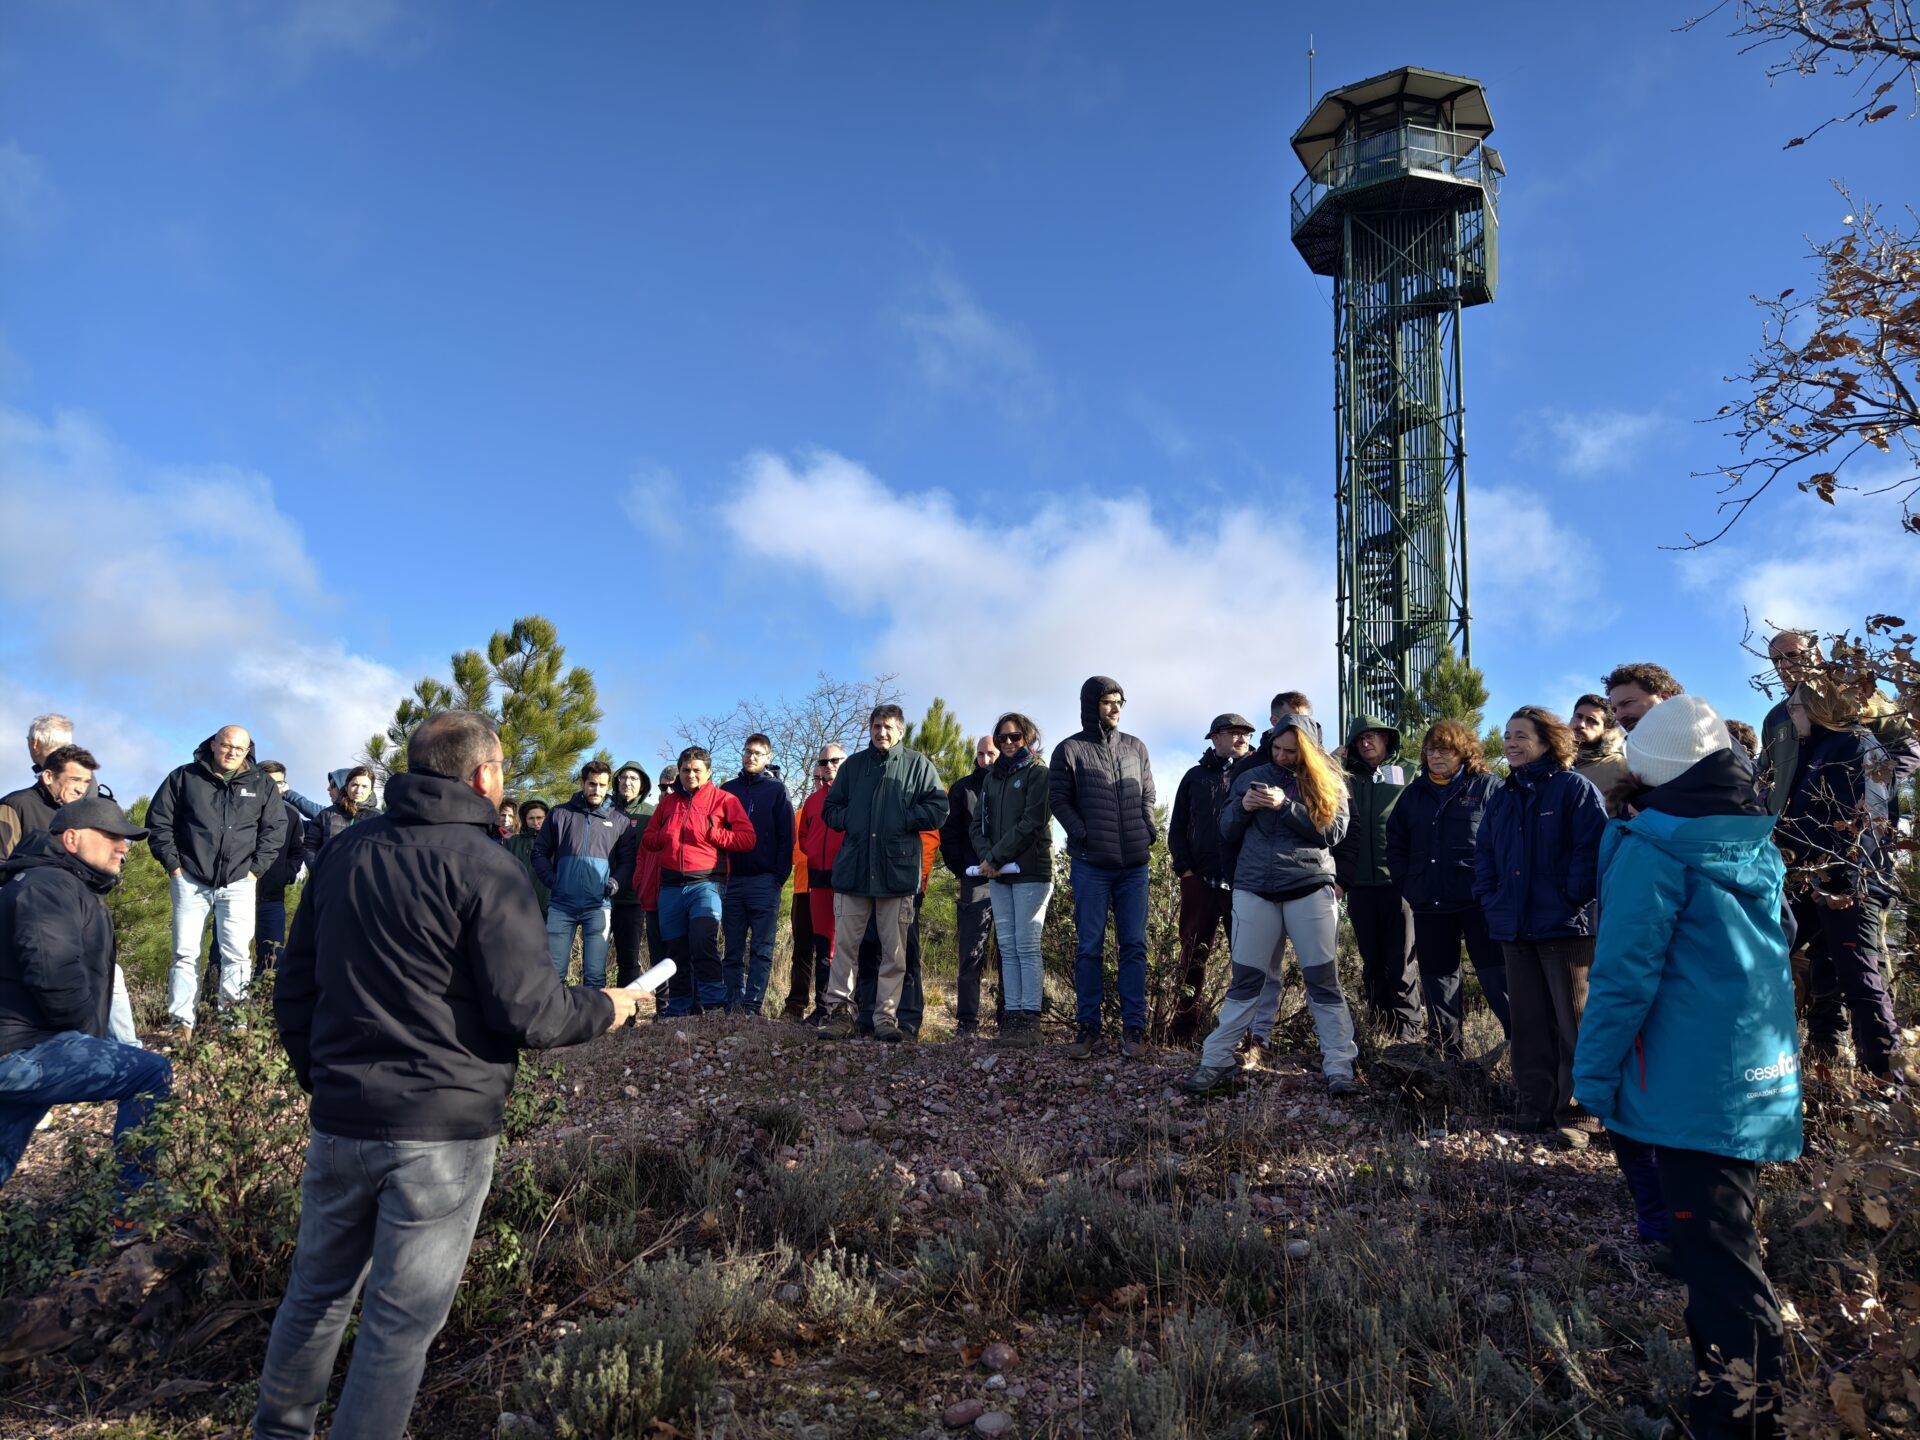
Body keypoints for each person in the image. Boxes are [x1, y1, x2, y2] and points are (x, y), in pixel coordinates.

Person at [254, 711, 641, 1440]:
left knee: (314, 1296)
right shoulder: (489, 866)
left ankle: (277, 1431)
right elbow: (530, 1012)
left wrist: (325, 1080)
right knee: (398, 1327)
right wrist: (610, 1006)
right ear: (485, 775)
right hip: (441, 1135)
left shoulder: (346, 852)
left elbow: (294, 985)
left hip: (342, 1120)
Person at [1573, 696, 1801, 1439]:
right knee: (1727, 1245)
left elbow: (1622, 976)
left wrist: (1593, 1078)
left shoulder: (1652, 848)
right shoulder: (1753, 842)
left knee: (1718, 1263)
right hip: (1756, 1070)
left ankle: (1743, 1419)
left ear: (1650, 771)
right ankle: (1744, 1399)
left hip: (1687, 1083)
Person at [0, 795, 173, 1208]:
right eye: (112, 836)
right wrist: (82, 1035)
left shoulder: (51, 881)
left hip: (20, 1046)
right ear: (72, 838)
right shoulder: (50, 885)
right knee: (151, 1074)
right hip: (25, 1049)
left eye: (127, 839)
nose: (123, 846)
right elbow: (52, 971)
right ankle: (136, 1211)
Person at [1179, 716, 1360, 1097]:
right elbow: (1226, 829)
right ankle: (1215, 1059)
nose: (1280, 756)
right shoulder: (1250, 774)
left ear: (1307, 750)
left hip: (1309, 886)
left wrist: (1285, 807)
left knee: (1323, 981)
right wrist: (1243, 805)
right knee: (1245, 980)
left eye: (1290, 752)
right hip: (1254, 888)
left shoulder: (1328, 779)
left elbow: (1333, 832)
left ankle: (1340, 1067)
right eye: (1276, 748)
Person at [1474, 708, 1609, 1148]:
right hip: (1513, 926)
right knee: (1527, 1022)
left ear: (1548, 741)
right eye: (1508, 735)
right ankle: (1534, 1106)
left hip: (1565, 927)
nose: (1511, 743)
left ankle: (1579, 1114)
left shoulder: (1575, 789)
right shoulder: (1502, 795)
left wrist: (1570, 897)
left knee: (1576, 1021)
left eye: (1521, 736)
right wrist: (1492, 899)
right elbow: (1486, 856)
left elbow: (1593, 851)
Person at [1778, 681, 1901, 1082]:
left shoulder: (1858, 745)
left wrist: (1846, 884)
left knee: (1861, 983)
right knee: (1776, 955)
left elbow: (1870, 818)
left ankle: (1887, 1086)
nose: (1790, 714)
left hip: (1849, 887)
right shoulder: (1815, 751)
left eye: (1796, 707)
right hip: (1811, 882)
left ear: (1817, 706)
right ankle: (1818, 1066)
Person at [815, 706, 949, 1044]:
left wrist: (903, 817)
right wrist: (851, 820)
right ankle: (840, 1014)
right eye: (876, 726)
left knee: (894, 952)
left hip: (897, 873)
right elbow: (830, 808)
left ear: (900, 731)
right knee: (845, 947)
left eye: (888, 727)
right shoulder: (854, 767)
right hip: (855, 872)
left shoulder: (918, 765)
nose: (881, 733)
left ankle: (885, 1019)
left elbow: (939, 808)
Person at [147, 726, 288, 1036]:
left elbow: (275, 829)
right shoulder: (184, 777)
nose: (232, 752)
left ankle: (233, 1024)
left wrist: (254, 870)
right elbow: (159, 822)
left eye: (239, 748)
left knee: (237, 953)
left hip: (239, 882)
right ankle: (181, 1023)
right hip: (190, 880)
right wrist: (174, 867)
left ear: (247, 750)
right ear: (213, 744)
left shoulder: (261, 783)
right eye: (226, 745)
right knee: (185, 953)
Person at [1384, 719, 1508, 1058]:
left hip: (1479, 902)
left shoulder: (1488, 788)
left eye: (1446, 749)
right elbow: (1395, 843)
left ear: (1464, 752)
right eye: (1431, 749)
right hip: (1429, 902)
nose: (1436, 756)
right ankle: (1446, 1056)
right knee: (1439, 982)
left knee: (1499, 981)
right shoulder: (1413, 794)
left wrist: (1494, 888)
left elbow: (1507, 843)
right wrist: (1408, 883)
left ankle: (1521, 1050)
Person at [1049, 676, 1156, 1060]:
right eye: (1108, 702)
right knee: (1089, 947)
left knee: (1134, 946)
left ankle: (1134, 1029)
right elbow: (1058, 800)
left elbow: (1148, 793)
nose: (1115, 708)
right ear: (1091, 704)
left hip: (1134, 868)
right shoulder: (1069, 750)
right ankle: (1087, 1027)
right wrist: (1083, 835)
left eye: (1119, 702)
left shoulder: (1136, 747)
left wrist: (1149, 830)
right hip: (1091, 865)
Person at [642, 748, 756, 1016]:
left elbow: (747, 838)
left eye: (696, 770)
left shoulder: (724, 800)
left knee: (703, 941)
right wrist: (665, 838)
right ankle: (680, 1006)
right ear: (679, 771)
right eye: (685, 770)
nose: (690, 775)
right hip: (670, 886)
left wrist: (713, 834)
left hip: (707, 882)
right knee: (676, 949)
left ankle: (714, 1004)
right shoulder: (667, 804)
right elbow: (648, 838)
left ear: (708, 772)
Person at [1758, 629, 1918, 815]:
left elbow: (1909, 750)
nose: (1784, 665)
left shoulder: (1860, 696)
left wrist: (1863, 787)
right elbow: (1764, 773)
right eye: (1776, 660)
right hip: (1788, 832)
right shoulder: (1775, 718)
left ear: (1816, 654)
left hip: (1854, 827)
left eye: (1793, 655)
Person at [1333, 714, 1420, 1042]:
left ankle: (1408, 1036)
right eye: (1359, 739)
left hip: (1398, 884)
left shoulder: (1410, 771)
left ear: (1387, 739)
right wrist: (1330, 760)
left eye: (1372, 737)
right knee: (1372, 963)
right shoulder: (1345, 776)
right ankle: (1380, 1031)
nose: (1366, 743)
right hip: (1359, 886)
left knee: (1402, 963)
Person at [1167, 714, 1253, 1042]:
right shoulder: (1194, 777)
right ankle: (1182, 1034)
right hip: (1200, 883)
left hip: (1243, 884)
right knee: (1192, 959)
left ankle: (1245, 1036)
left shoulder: (1258, 771)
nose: (1241, 738)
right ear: (1214, 738)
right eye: (1234, 733)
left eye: (1245, 733)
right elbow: (1176, 828)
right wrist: (1185, 871)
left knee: (1246, 961)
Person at [971, 713, 1052, 1047]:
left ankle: (1030, 1021)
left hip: (1031, 872)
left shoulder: (1040, 774)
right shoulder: (991, 779)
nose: (1007, 743)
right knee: (1006, 946)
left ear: (1028, 738)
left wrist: (995, 857)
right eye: (1001, 737)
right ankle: (1013, 1019)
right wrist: (988, 858)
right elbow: (978, 824)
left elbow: (1032, 821)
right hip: (998, 875)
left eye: (1014, 737)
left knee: (1027, 945)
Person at [533, 760, 639, 990]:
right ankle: (555, 1024)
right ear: (582, 783)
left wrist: (615, 882)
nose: (597, 790)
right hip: (561, 905)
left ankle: (595, 1026)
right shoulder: (559, 813)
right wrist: (553, 881)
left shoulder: (620, 820)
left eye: (602, 785)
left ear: (608, 785)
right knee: (554, 973)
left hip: (598, 906)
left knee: (595, 975)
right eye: (592, 784)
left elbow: (628, 862)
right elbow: (539, 852)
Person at [720, 735, 795, 1016]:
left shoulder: (776, 791)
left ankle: (752, 1005)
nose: (752, 757)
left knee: (762, 949)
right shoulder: (728, 790)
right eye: (748, 751)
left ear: (767, 758)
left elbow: (786, 836)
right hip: (732, 880)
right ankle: (733, 1004)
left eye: (758, 753)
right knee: (733, 949)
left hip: (765, 880)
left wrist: (779, 877)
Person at [939, 734, 999, 1036]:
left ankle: (1010, 1019)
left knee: (1009, 954)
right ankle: (966, 1021)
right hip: (975, 881)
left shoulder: (1016, 786)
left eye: (991, 753)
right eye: (980, 754)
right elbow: (947, 836)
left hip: (1011, 881)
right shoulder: (963, 788)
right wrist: (964, 869)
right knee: (970, 953)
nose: (985, 760)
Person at [797, 747, 846, 1023]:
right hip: (818, 876)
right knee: (822, 942)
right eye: (824, 761)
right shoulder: (813, 801)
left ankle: (847, 1008)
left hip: (847, 877)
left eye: (834, 760)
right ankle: (823, 1007)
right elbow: (804, 836)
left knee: (846, 943)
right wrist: (814, 853)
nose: (828, 766)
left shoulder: (854, 796)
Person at [254, 762, 310, 977]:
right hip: (236, 895)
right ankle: (214, 1009)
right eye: (268, 782)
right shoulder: (240, 812)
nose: (274, 787)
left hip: (273, 898)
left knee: (272, 959)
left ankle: (263, 1007)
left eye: (279, 783)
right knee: (225, 955)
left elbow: (298, 851)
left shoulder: (291, 815)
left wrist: (286, 874)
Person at [0, 743, 99, 860]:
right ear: (48, 777)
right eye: (74, 779)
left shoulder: (83, 815)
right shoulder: (15, 806)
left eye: (86, 782)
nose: (81, 789)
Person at [607, 764, 655, 986]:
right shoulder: (604, 809)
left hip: (632, 899)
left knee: (628, 958)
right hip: (600, 897)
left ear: (642, 784)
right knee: (594, 958)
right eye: (623, 777)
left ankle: (628, 1014)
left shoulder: (650, 814)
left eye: (634, 779)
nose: (627, 782)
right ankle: (593, 1010)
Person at [779, 774, 818, 1023]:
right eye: (815, 777)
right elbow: (793, 854)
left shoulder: (848, 808)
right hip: (803, 890)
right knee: (802, 951)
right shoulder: (801, 814)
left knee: (835, 952)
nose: (819, 781)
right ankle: (795, 1006)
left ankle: (831, 1006)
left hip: (836, 890)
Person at [1569, 694, 1630, 813]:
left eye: (1592, 721)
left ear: (1605, 730)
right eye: (1578, 716)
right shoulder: (1553, 761)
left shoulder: (1617, 765)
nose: (1581, 725)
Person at [305, 766, 379, 858]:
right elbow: (310, 845)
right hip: (329, 871)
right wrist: (317, 868)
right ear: (347, 786)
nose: (358, 790)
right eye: (354, 785)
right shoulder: (326, 814)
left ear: (370, 791)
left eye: (364, 786)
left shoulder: (379, 818)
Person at [1603, 662, 1683, 733]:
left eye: (1627, 703)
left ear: (1664, 697)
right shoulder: (1629, 748)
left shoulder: (1693, 742)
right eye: (1615, 710)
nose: (1618, 717)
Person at [503, 799, 551, 915]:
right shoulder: (512, 842)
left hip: (550, 906)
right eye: (531, 818)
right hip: (520, 905)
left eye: (539, 818)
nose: (535, 822)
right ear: (525, 820)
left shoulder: (557, 843)